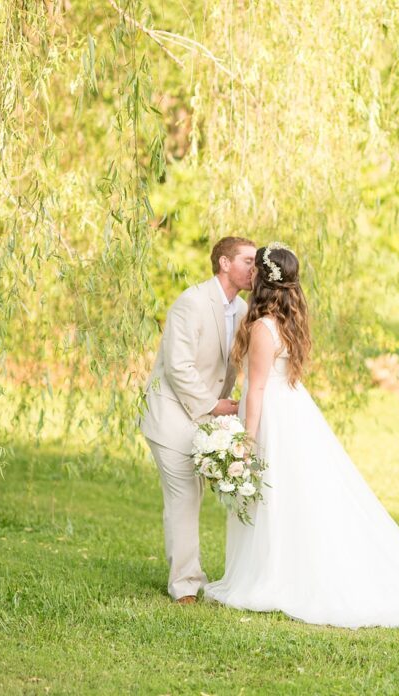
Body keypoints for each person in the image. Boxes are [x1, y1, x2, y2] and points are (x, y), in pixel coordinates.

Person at [203, 243, 399, 629]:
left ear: (262, 280)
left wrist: (245, 442)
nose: (248, 274)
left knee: (278, 493)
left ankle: (277, 575)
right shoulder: (284, 321)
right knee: (287, 495)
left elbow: (260, 388)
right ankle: (281, 568)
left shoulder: (264, 327)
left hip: (275, 418)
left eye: (254, 268)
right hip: (291, 411)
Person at [140, 237, 256, 604]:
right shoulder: (190, 303)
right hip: (171, 412)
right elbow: (178, 366)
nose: (256, 268)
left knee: (200, 493)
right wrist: (214, 405)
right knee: (185, 496)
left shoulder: (241, 311)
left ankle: (201, 576)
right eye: (248, 260)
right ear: (224, 263)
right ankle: (185, 586)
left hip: (205, 418)